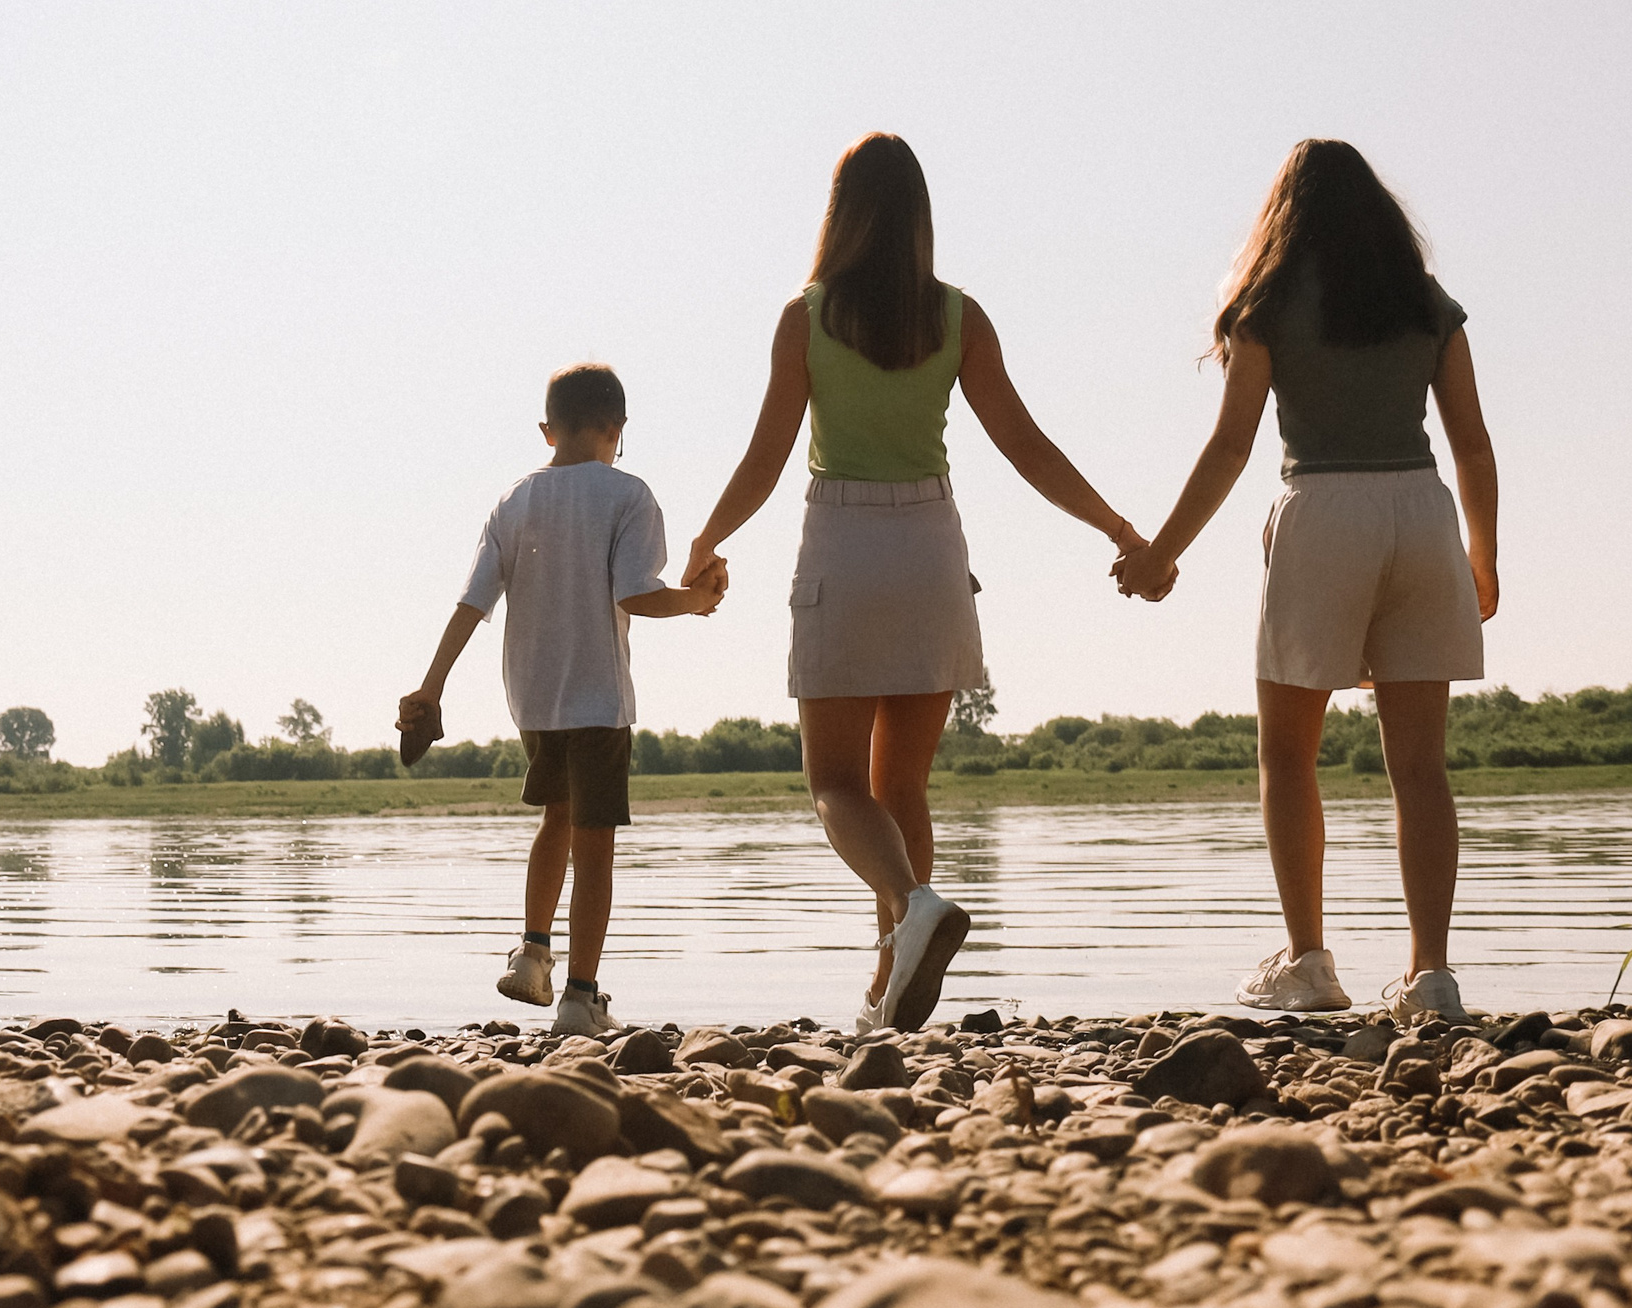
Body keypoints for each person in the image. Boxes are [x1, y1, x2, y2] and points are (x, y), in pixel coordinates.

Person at [685, 134, 1145, 1032]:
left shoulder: (805, 316)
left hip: (845, 545)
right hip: (934, 548)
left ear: (842, 213)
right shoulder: (959, 316)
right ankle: (889, 982)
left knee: (833, 783)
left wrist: (706, 539)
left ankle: (911, 908)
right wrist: (1120, 530)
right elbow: (1027, 445)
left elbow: (767, 457)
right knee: (902, 789)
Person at [1115, 139, 1497, 1022]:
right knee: (1420, 765)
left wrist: (1162, 550)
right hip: (1420, 509)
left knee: (1288, 752)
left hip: (1321, 508)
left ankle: (1309, 961)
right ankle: (1431, 975)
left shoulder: (1267, 303)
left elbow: (1231, 443)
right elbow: (1472, 439)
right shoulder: (1426, 303)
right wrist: (1484, 550)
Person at [398, 362, 723, 1036]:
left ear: (548, 429)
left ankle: (533, 949)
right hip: (599, 698)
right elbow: (635, 592)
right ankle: (580, 995)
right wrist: (696, 601)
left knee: (555, 820)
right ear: (618, 427)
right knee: (594, 844)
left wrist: (431, 685)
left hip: (534, 699)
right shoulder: (629, 495)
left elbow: (473, 600)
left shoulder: (515, 500)